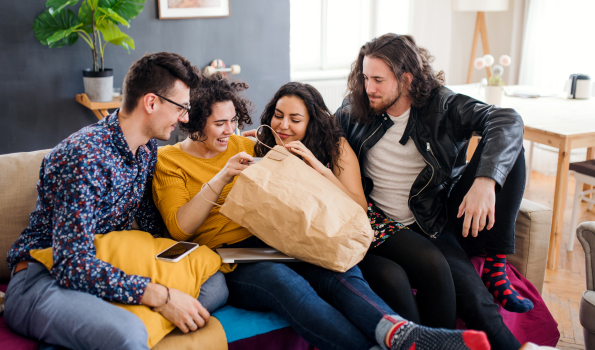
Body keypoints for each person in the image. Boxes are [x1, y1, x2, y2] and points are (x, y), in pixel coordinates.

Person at [153, 73, 491, 350]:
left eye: (233, 121)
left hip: (276, 241)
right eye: (220, 124)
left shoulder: (243, 142)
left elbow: (281, 152)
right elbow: (180, 229)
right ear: (193, 122)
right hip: (232, 260)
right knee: (286, 284)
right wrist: (222, 174)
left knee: (340, 274)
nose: (231, 131)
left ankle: (402, 332)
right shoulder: (170, 161)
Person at [4, 52, 228, 350]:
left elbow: (150, 225)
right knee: (128, 335)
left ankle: (123, 323)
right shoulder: (84, 156)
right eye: (181, 107)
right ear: (151, 103)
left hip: (109, 263)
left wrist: (175, 260)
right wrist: (160, 296)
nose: (185, 117)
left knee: (215, 282)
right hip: (45, 279)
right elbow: (72, 263)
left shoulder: (146, 151)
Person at [335, 33, 531, 350]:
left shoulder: (443, 105)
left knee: (511, 146)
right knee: (472, 302)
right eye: (365, 77)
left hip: (435, 222)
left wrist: (485, 182)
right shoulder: (353, 110)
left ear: (407, 79)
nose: (368, 88)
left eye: (378, 80)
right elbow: (317, 136)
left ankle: (497, 263)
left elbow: (507, 119)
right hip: (384, 228)